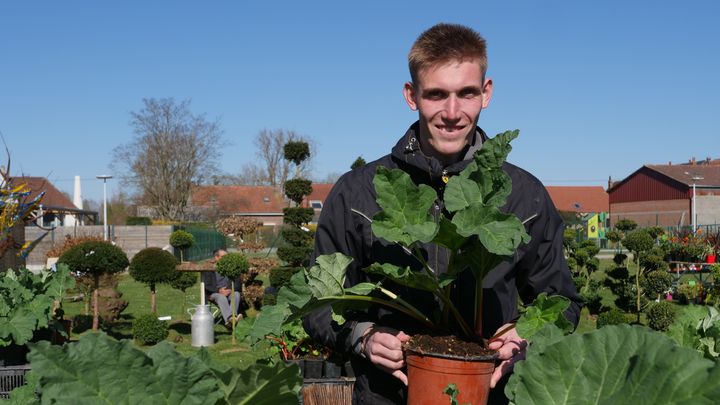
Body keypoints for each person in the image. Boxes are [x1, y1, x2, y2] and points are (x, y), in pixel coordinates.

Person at [302, 23, 582, 404]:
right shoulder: (357, 193)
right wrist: (363, 337)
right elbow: (316, 305)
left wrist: (525, 335)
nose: (452, 112)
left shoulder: (524, 195)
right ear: (411, 95)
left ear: (486, 93)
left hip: (490, 392)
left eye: (466, 93)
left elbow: (563, 303)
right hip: (390, 395)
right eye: (436, 95)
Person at [205, 248, 243, 328]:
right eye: (224, 256)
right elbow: (207, 285)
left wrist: (229, 290)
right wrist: (219, 290)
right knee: (221, 297)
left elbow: (237, 283)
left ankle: (231, 319)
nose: (227, 258)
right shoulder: (208, 268)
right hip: (214, 293)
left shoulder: (231, 267)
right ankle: (230, 319)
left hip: (229, 291)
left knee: (236, 294)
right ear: (216, 257)